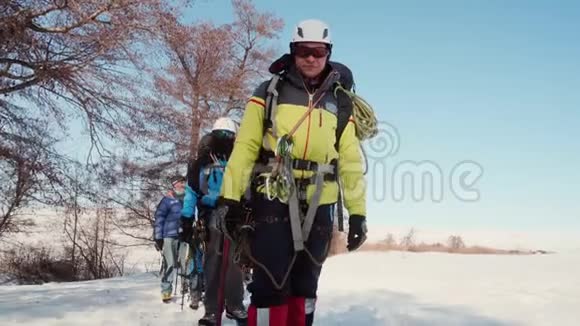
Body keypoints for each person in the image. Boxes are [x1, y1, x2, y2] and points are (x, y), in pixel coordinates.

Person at [217, 19, 369, 326]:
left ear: (328, 53)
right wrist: (229, 198)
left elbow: (350, 161)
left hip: (321, 199)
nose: (311, 57)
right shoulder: (269, 91)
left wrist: (357, 214)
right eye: (303, 50)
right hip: (273, 194)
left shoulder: (339, 102)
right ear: (292, 51)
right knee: (271, 283)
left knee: (305, 285)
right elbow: (245, 146)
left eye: (318, 51)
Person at [181, 117, 248, 325]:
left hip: (234, 215)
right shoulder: (201, 161)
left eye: (229, 135)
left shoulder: (240, 158)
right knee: (213, 263)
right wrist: (185, 217)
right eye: (222, 135)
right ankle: (212, 310)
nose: (225, 139)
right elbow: (191, 191)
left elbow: (247, 187)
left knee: (235, 263)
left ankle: (235, 305)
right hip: (210, 214)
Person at [154, 175, 187, 303]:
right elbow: (159, 218)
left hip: (185, 235)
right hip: (169, 236)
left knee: (187, 262)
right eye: (179, 183)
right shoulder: (167, 200)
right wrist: (158, 237)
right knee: (170, 264)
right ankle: (166, 290)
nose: (182, 185)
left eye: (183, 182)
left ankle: (186, 287)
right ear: (174, 185)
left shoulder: (189, 198)